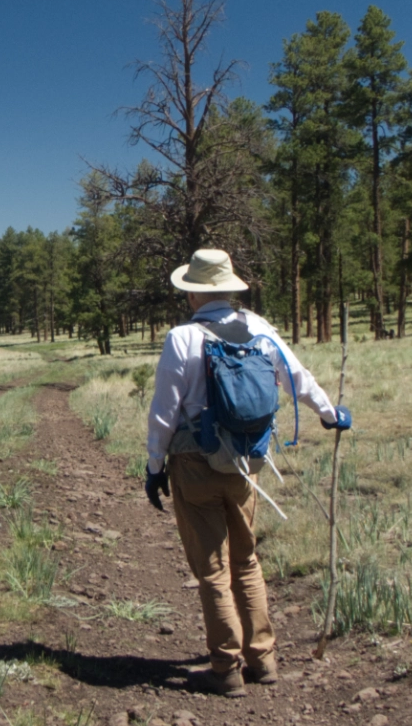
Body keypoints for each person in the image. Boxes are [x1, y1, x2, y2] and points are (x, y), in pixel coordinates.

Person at [143, 248, 351, 696]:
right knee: (246, 559)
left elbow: (164, 412)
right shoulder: (258, 327)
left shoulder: (182, 338)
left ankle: (226, 668)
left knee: (213, 570)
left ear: (193, 293)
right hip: (246, 461)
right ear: (229, 288)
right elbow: (297, 378)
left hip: (195, 463)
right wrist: (330, 414)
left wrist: (154, 466)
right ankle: (264, 657)